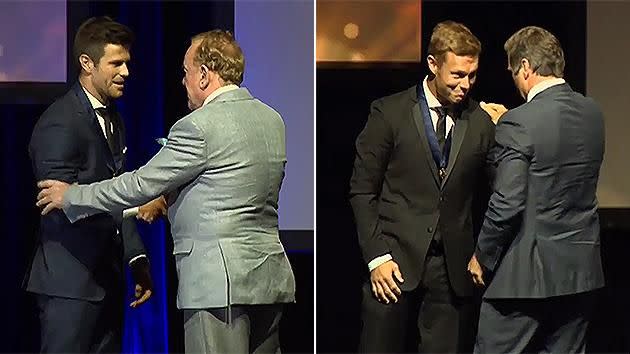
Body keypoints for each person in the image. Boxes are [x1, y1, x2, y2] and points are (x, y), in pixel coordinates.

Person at [36, 29, 296, 354]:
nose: (182, 82)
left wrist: (71, 196)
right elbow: (227, 183)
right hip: (269, 280)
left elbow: (140, 184)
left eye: (185, 72)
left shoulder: (199, 125)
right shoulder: (272, 120)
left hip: (218, 285)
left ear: (203, 75)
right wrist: (168, 199)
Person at [349, 21, 496, 353]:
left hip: (452, 271)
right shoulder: (389, 112)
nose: (465, 85)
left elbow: (499, 192)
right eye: (457, 75)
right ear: (433, 65)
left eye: (472, 75)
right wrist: (376, 257)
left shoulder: (481, 121)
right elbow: (362, 191)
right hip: (393, 263)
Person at [468, 26, 605, 353]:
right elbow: (557, 169)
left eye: (513, 70)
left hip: (525, 277)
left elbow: (507, 201)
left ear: (526, 67)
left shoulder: (519, 121)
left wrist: (482, 256)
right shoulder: (593, 114)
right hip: (580, 274)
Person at [26, 16, 153, 353]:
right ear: (87, 63)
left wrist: (136, 258)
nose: (125, 72)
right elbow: (59, 205)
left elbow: (116, 190)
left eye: (127, 62)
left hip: (106, 282)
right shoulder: (59, 122)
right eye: (116, 63)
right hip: (70, 287)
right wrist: (140, 205)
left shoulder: (113, 116)